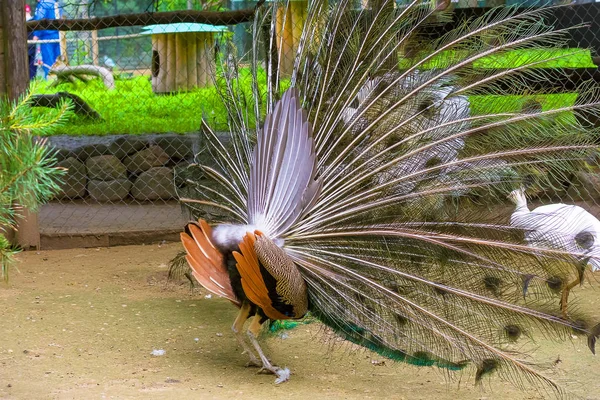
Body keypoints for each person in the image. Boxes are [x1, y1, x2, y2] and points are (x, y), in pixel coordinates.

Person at [32, 0, 61, 79]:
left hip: (47, 36)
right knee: (58, 60)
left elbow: (40, 20)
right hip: (58, 35)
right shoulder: (55, 3)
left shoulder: (43, 4)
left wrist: (36, 34)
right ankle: (60, 78)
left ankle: (49, 79)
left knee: (49, 61)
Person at [25, 4, 37, 81]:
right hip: (26, 46)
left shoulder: (33, 21)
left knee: (32, 64)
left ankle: (31, 79)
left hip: (31, 45)